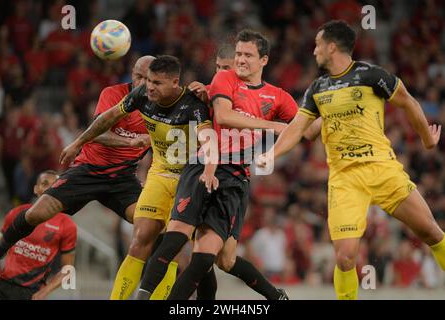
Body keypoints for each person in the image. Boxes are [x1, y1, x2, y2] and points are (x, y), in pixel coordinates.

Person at [257, 20, 444, 300]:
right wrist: (271, 154)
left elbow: (407, 101)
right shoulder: (318, 88)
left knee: (431, 232)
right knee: (345, 257)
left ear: (332, 47)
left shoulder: (371, 75)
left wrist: (427, 139)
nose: (314, 51)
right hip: (345, 179)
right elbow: (299, 127)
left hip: (382, 169)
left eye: (318, 44)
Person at [137, 30, 320, 300]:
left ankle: (275, 296)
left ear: (264, 60)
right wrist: (273, 125)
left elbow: (307, 130)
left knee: (213, 260)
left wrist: (327, 116)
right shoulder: (224, 78)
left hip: (235, 177)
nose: (241, 60)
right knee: (175, 240)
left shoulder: (277, 97)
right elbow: (223, 115)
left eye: (248, 55)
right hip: (202, 165)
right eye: (239, 54)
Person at [59, 55, 216, 300]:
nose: (150, 87)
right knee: (140, 238)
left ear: (175, 82)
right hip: (159, 175)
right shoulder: (142, 95)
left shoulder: (194, 104)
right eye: (148, 80)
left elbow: (209, 140)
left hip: (189, 180)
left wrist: (208, 171)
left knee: (172, 250)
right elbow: (107, 118)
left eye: (157, 83)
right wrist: (78, 143)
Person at [0, 57, 152, 276]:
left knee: (152, 225)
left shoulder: (161, 108)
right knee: (35, 214)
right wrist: (129, 141)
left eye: (148, 78)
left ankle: (152, 281)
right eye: (138, 76)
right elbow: (98, 132)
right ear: (131, 74)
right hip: (88, 170)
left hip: (123, 178)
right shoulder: (113, 94)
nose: (143, 82)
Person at [0, 170, 76, 300]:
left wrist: (45, 292)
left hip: (33, 293)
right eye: (44, 183)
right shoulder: (16, 213)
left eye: (54, 185)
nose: (49, 188)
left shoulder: (67, 225)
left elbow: (68, 271)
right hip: (2, 287)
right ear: (36, 189)